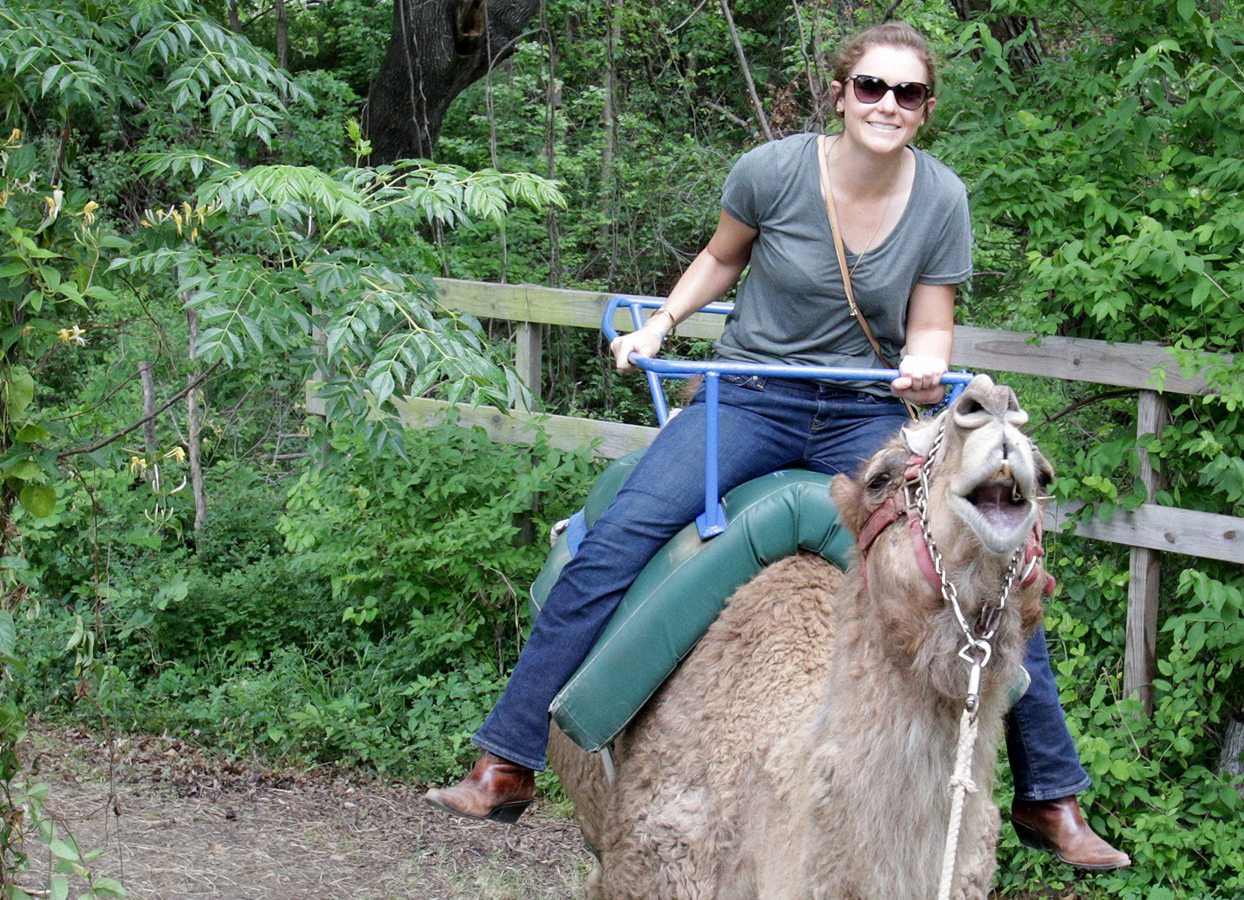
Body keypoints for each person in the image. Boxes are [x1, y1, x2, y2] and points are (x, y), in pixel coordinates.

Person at [424, 22, 1129, 872]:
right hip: (751, 396)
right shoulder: (773, 171)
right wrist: (661, 323)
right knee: (619, 537)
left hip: (862, 409)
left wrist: (923, 367)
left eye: (907, 93)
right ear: (840, 92)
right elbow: (722, 259)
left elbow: (932, 323)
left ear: (926, 109)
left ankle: (1049, 795)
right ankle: (508, 758)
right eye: (871, 86)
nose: (887, 105)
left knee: (996, 555)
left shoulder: (942, 198)